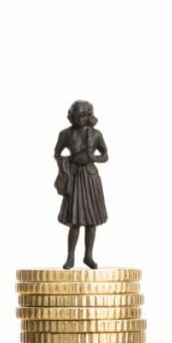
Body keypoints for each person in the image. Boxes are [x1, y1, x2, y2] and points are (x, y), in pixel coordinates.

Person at [53, 100, 108, 269]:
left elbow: (105, 155)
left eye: (81, 116)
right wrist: (69, 160)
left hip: (91, 178)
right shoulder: (65, 134)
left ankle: (88, 256)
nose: (77, 119)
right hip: (75, 178)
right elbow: (56, 154)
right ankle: (70, 257)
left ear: (87, 116)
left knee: (92, 221)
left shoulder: (96, 134)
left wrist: (94, 158)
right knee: (75, 220)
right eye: (74, 116)